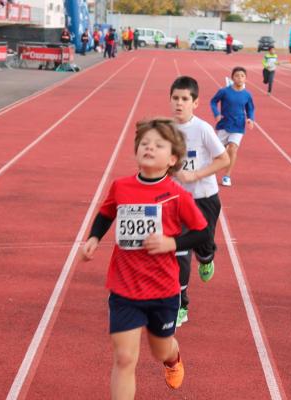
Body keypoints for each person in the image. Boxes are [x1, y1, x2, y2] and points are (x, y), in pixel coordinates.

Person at [78, 118, 209, 397]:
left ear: (172, 158)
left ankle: (173, 359)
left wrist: (172, 242)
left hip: (162, 289)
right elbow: (107, 212)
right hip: (124, 287)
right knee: (124, 358)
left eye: (158, 145)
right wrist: (93, 238)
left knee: (160, 348)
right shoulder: (121, 186)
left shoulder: (177, 195)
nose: (149, 148)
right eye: (145, 143)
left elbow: (202, 233)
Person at [170, 76, 230, 327]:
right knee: (179, 252)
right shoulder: (166, 129)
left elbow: (224, 160)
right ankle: (181, 304)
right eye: (175, 98)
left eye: (185, 99)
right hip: (177, 201)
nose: (179, 104)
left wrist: (194, 175)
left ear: (195, 103)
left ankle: (206, 257)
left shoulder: (203, 129)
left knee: (204, 245)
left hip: (205, 198)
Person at [210, 66, 255, 187]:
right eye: (237, 76)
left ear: (246, 79)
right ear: (232, 78)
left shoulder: (247, 95)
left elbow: (250, 108)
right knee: (218, 151)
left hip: (238, 126)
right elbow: (213, 101)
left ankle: (227, 176)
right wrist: (217, 114)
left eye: (242, 76)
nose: (240, 78)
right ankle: (210, 173)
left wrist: (250, 119)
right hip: (224, 124)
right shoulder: (224, 91)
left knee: (233, 148)